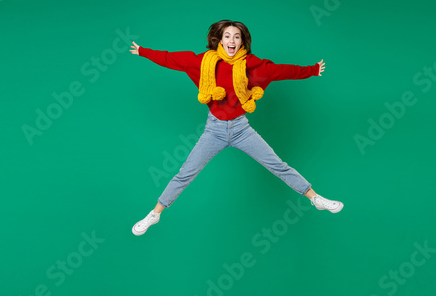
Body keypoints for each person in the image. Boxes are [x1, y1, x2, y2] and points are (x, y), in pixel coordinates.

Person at [129, 20, 343, 236]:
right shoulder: (205, 62)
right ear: (219, 39)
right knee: (185, 173)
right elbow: (171, 59)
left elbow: (280, 71)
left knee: (278, 165)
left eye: (237, 36)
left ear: (243, 42)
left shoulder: (252, 65)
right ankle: (154, 214)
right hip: (214, 130)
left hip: (242, 130)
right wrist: (142, 51)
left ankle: (315, 198)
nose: (232, 40)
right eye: (228, 36)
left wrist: (312, 70)